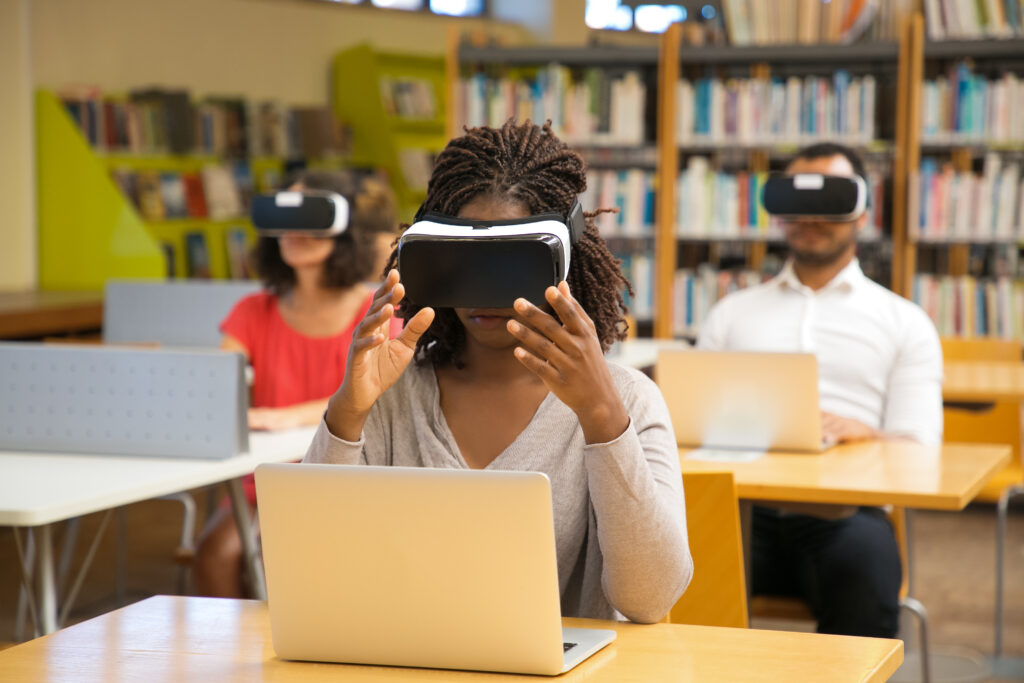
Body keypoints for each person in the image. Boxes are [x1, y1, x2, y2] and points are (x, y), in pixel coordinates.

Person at [304, 120, 693, 623]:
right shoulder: (391, 393)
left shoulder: (627, 400)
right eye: (465, 262)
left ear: (562, 262)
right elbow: (310, 570)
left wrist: (601, 417)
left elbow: (650, 598)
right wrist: (348, 412)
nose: (485, 292)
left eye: (510, 264)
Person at [697, 142, 943, 638]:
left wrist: (866, 434)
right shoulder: (732, 314)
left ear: (862, 211)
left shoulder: (905, 323)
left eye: (829, 200)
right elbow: (690, 424)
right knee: (680, 565)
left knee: (865, 570)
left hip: (847, 516)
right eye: (796, 200)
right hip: (743, 509)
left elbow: (921, 450)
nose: (810, 215)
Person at [193, 170, 401, 598]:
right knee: (215, 553)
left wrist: (287, 415)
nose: (294, 233)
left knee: (284, 554)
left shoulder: (375, 310)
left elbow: (381, 391)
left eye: (308, 220)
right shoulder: (254, 311)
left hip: (347, 476)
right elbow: (213, 383)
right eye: (283, 220)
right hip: (263, 481)